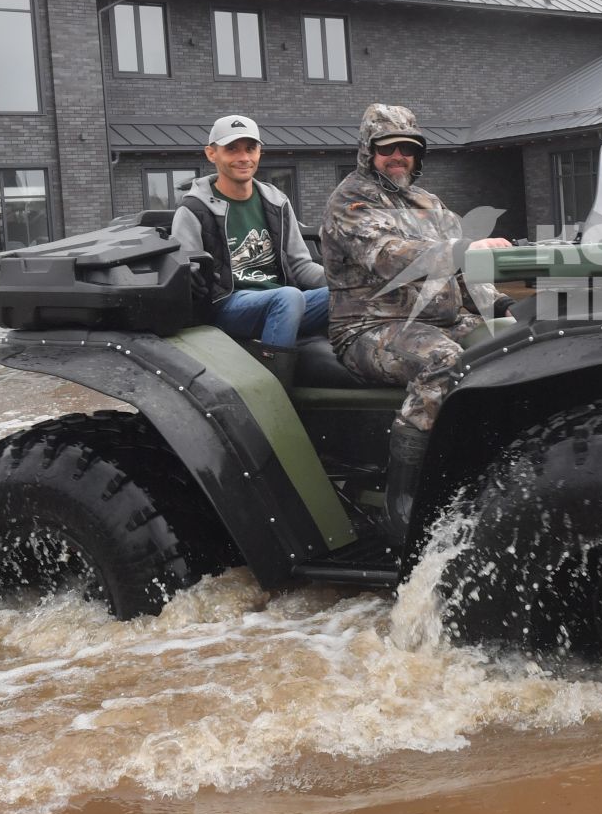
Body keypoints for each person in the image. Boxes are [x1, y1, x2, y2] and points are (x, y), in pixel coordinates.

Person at [321, 103, 508, 535]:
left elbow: (464, 270)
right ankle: (404, 499)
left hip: (437, 318)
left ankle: (489, 467)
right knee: (443, 360)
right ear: (369, 152)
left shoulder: (428, 202)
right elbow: (390, 258)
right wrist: (463, 250)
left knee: (515, 342)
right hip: (370, 328)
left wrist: (503, 308)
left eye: (408, 148)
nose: (399, 157)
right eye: (388, 149)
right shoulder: (350, 202)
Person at [171, 114, 329, 388]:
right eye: (232, 149)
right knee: (289, 296)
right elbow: (185, 271)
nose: (243, 157)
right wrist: (190, 272)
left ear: (260, 152)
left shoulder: (276, 202)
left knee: (347, 296)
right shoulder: (193, 209)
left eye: (250, 148)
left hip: (284, 304)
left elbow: (301, 266)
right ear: (212, 154)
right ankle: (272, 390)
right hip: (227, 306)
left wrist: (350, 285)